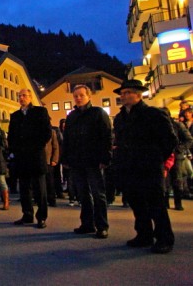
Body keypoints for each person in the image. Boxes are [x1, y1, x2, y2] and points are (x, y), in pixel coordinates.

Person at [113, 80, 178, 254]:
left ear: (139, 94)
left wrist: (157, 158)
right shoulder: (120, 118)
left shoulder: (152, 114)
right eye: (123, 93)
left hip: (149, 166)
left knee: (156, 204)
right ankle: (144, 234)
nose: (124, 96)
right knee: (137, 203)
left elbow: (170, 140)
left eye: (128, 92)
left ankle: (164, 238)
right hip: (129, 166)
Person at [62, 84, 112, 239]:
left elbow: (106, 136)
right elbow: (67, 139)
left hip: (94, 160)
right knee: (83, 195)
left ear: (89, 96)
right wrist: (65, 158)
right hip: (77, 161)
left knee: (98, 194)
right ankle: (87, 224)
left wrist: (105, 157)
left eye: (81, 95)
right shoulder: (71, 116)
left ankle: (102, 226)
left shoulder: (98, 113)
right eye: (75, 96)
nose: (78, 98)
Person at [8, 88, 52, 229]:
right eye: (19, 96)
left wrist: (36, 146)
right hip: (21, 157)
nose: (22, 98)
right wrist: (15, 150)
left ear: (30, 97)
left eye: (24, 96)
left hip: (36, 155)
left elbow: (46, 132)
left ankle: (41, 217)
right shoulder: (15, 116)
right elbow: (11, 136)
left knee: (40, 189)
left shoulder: (40, 112)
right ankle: (27, 215)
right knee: (24, 189)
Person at [161, 107, 192, 211]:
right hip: (164, 156)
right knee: (165, 181)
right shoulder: (158, 126)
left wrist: (179, 149)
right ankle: (165, 203)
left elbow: (189, 139)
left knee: (177, 180)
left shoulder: (177, 125)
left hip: (176, 157)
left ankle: (178, 203)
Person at [44, 125, 60, 207]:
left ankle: (51, 199)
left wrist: (54, 159)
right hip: (38, 160)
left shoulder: (52, 132)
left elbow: (56, 147)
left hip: (48, 160)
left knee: (50, 181)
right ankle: (41, 199)